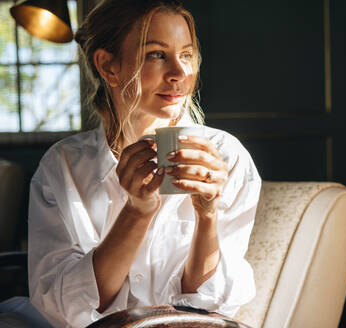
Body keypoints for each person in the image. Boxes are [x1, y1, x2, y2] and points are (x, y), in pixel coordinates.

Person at [26, 0, 261, 327]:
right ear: (108, 66)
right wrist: (137, 211)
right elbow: (65, 311)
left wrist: (207, 214)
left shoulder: (226, 156)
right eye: (157, 54)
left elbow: (211, 306)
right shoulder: (62, 168)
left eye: (187, 55)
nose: (179, 73)